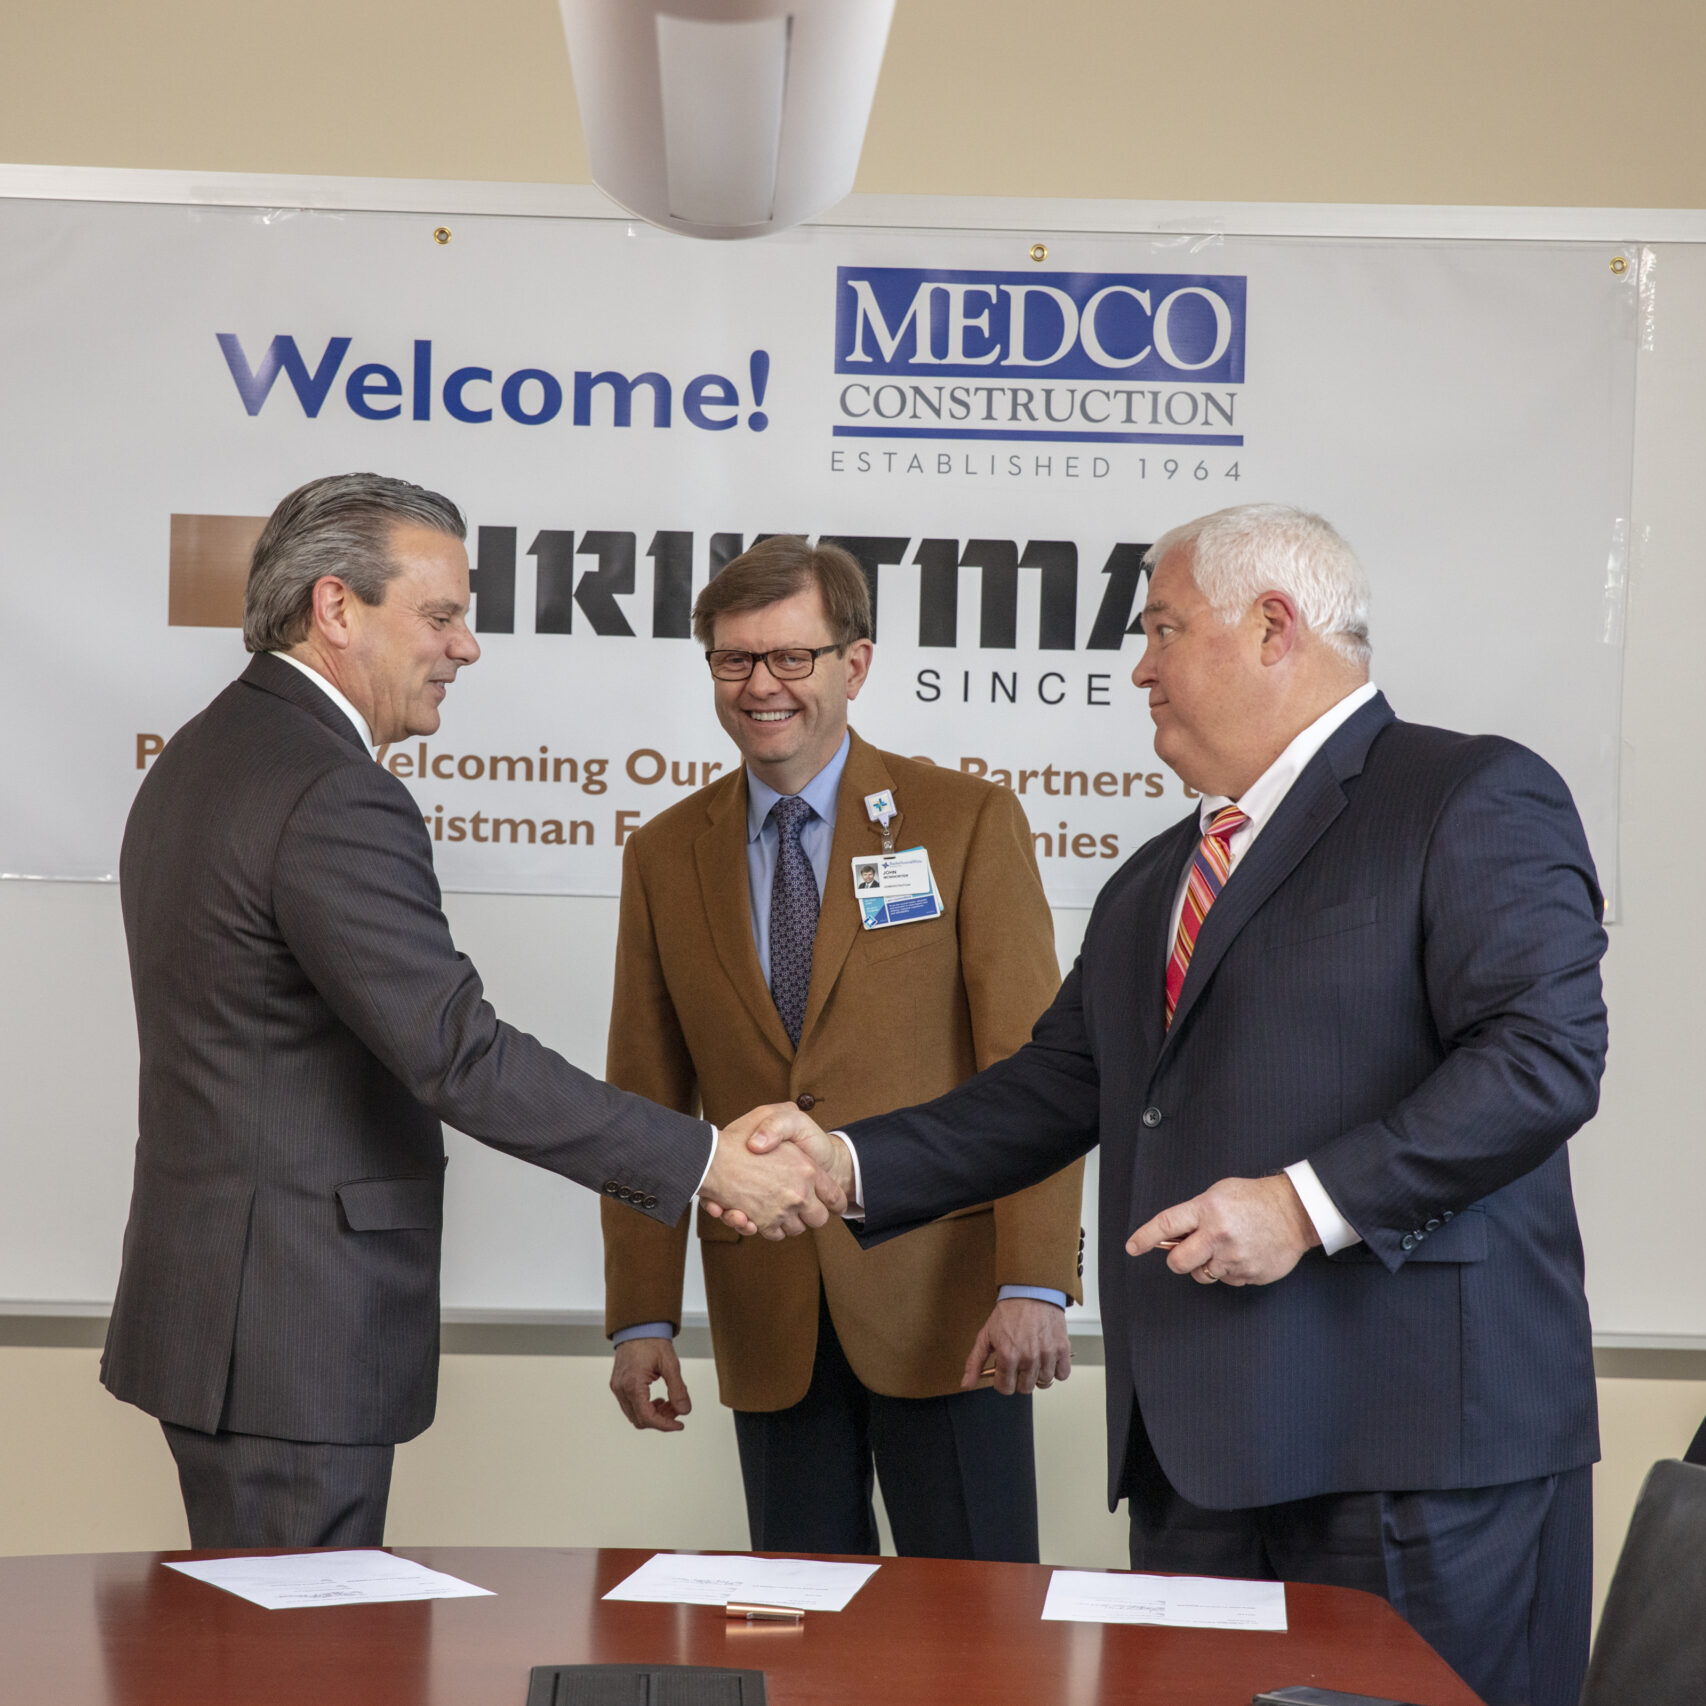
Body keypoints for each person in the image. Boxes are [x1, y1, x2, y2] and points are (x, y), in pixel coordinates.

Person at [738, 504, 1608, 1706]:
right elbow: (1051, 1088)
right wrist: (842, 1163)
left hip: (1413, 1456)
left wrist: (1301, 1206)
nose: (1138, 666)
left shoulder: (1466, 794)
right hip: (1192, 1465)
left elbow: (1540, 1055)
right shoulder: (1155, 876)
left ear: (1271, 626)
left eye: (1160, 628)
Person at [104, 473, 840, 1550]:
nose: (467, 646)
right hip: (290, 1327)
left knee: (260, 1625)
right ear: (336, 607)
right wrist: (704, 1162)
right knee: (302, 1636)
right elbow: (458, 1053)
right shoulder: (332, 790)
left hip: (228, 1314)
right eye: (441, 614)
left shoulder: (208, 752)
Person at [602, 535, 1084, 1561]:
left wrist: (1033, 1281)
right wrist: (640, 1315)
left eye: (791, 656)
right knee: (796, 1623)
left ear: (853, 664)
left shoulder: (965, 820)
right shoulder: (663, 854)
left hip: (950, 1310)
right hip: (766, 1310)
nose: (760, 685)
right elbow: (643, 1099)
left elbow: (1033, 1071)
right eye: (735, 658)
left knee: (977, 1626)